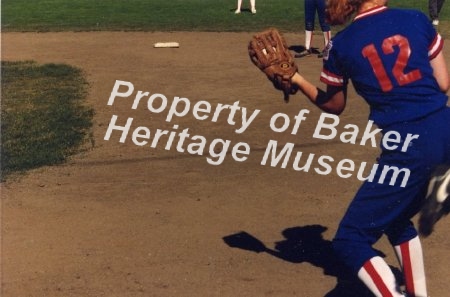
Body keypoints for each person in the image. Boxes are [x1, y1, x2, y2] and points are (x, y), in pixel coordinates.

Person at [289, 0, 450, 296]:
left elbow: (334, 105)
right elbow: (443, 83)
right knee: (396, 218)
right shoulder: (415, 19)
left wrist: (296, 79)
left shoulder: (342, 44)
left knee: (350, 240)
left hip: (408, 148)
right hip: (445, 131)